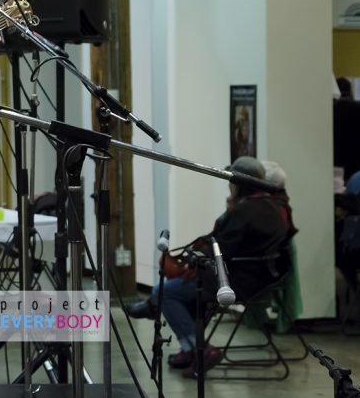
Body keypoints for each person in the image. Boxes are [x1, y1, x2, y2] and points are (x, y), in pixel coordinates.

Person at [126, 156, 294, 378]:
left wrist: (187, 262)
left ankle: (199, 349)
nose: (229, 186)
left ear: (241, 185)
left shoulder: (245, 212)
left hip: (237, 281)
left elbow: (218, 249)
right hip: (261, 277)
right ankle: (188, 347)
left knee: (164, 292)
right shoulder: (274, 207)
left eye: (232, 182)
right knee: (174, 291)